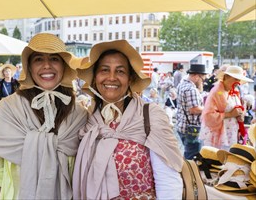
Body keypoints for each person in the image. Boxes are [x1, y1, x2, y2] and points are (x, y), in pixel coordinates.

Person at [0, 33, 87, 199]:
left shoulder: (79, 114)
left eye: (54, 59)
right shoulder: (5, 110)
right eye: (38, 59)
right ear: (29, 66)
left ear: (64, 66)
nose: (47, 65)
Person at [73, 40, 183, 199]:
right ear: (95, 77)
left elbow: (168, 183)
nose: (111, 77)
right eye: (104, 70)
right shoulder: (87, 120)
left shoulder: (150, 117)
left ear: (130, 79)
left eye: (120, 71)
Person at [199, 65, 253, 150]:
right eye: (235, 79)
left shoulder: (235, 91)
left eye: (239, 80)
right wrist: (230, 114)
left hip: (231, 134)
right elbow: (208, 116)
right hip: (218, 137)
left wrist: (240, 114)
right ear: (226, 77)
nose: (238, 82)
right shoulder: (216, 92)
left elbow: (237, 108)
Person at [176, 64, 207, 160]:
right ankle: (188, 173)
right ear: (197, 76)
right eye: (202, 79)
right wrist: (208, 109)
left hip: (183, 125)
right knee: (192, 155)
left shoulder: (182, 84)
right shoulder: (191, 89)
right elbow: (194, 109)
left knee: (189, 152)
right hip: (191, 129)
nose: (203, 81)